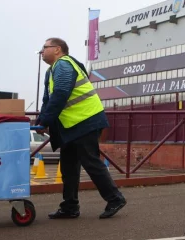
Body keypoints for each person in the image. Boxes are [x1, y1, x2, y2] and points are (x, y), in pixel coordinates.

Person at [37, 37, 127, 219]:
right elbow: (48, 99)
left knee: (90, 161)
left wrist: (45, 120)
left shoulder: (63, 64)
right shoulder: (52, 70)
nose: (41, 51)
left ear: (57, 49)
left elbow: (62, 92)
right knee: (69, 168)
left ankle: (115, 198)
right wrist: (41, 120)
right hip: (72, 125)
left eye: (44, 47)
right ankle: (70, 206)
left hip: (85, 121)